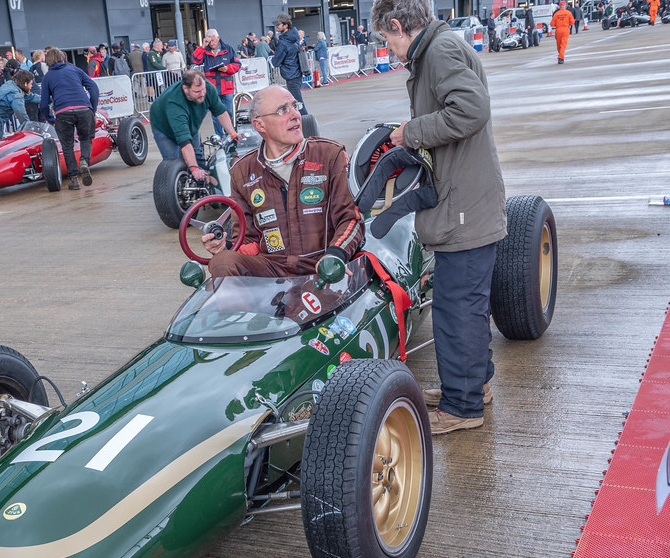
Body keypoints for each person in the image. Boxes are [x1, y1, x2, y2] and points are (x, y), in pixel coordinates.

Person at [370, 0, 507, 434]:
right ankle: (473, 385)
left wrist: (411, 132)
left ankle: (462, 406)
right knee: (467, 305)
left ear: (398, 25)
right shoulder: (438, 48)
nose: (389, 49)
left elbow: (470, 109)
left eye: (387, 39)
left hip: (463, 205)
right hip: (465, 200)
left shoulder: (440, 51)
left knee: (456, 309)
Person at [201, 85, 363, 278]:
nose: (295, 115)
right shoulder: (242, 171)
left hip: (323, 264)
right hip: (272, 268)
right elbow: (248, 240)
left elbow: (350, 218)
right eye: (282, 110)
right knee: (222, 262)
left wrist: (336, 254)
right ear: (260, 125)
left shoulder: (329, 154)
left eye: (295, 106)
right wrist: (225, 246)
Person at [148, 69, 235, 184]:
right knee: (172, 163)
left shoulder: (208, 88)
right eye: (197, 91)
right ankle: (181, 185)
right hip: (163, 127)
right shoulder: (174, 103)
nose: (202, 93)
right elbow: (184, 140)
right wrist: (194, 169)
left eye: (203, 89)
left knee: (197, 154)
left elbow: (220, 112)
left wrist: (233, 134)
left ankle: (204, 184)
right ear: (185, 89)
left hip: (190, 123)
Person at [39, 47, 99, 190]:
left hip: (63, 112)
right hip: (83, 108)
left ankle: (74, 180)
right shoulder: (75, 70)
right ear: (63, 57)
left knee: (67, 146)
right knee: (86, 138)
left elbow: (43, 104)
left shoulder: (47, 77)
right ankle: (84, 161)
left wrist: (51, 120)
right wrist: (92, 109)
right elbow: (93, 88)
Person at [192, 29, 240, 136]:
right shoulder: (205, 50)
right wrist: (202, 46)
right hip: (212, 88)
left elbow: (237, 64)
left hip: (227, 87)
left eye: (213, 40)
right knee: (215, 115)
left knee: (229, 112)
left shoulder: (228, 49)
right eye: (209, 41)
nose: (211, 43)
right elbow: (195, 60)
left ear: (218, 38)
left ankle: (230, 134)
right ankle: (220, 137)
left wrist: (227, 68)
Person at [0, 69, 39, 142]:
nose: (31, 86)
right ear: (25, 83)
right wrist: (29, 128)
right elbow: (20, 112)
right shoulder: (15, 94)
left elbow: (29, 97)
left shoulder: (12, 84)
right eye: (31, 84)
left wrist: (46, 99)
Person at [269, 14, 309, 116]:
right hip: (296, 72)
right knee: (296, 103)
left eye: (279, 24)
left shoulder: (284, 42)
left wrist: (274, 59)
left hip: (291, 74)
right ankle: (303, 121)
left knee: (298, 103)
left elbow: (275, 62)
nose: (277, 26)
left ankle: (307, 122)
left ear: (286, 25)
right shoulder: (294, 37)